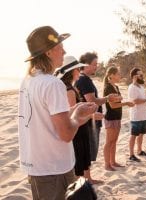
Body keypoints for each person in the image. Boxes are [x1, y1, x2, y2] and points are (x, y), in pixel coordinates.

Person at [18, 26, 98, 200]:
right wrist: (77, 116)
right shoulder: (52, 84)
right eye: (60, 46)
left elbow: (43, 117)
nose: (64, 51)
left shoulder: (29, 80)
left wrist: (74, 109)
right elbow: (67, 134)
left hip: (37, 166)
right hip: (54, 167)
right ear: (48, 52)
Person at [54, 56, 104, 184]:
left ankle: (86, 182)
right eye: (78, 69)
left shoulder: (68, 87)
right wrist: (92, 115)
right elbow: (72, 114)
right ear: (72, 71)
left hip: (80, 126)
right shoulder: (69, 90)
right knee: (79, 159)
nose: (80, 71)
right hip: (78, 128)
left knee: (82, 158)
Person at [75, 52, 120, 181]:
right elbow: (92, 100)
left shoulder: (83, 79)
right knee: (87, 150)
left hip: (88, 119)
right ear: (86, 65)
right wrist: (107, 98)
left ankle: (87, 177)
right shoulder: (84, 80)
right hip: (88, 120)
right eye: (95, 64)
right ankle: (87, 178)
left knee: (87, 150)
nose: (97, 67)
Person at [103, 66, 134, 170]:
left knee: (114, 140)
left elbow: (117, 101)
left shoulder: (116, 87)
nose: (120, 75)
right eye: (118, 74)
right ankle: (107, 165)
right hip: (111, 117)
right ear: (111, 75)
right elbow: (113, 105)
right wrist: (125, 103)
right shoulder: (108, 88)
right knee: (109, 141)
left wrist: (119, 99)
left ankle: (113, 161)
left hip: (117, 117)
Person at [128, 68, 146, 162]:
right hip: (136, 115)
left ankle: (139, 151)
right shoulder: (132, 87)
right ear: (134, 76)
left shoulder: (140, 86)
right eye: (140, 75)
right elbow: (135, 101)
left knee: (141, 134)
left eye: (142, 75)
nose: (142, 76)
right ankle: (131, 154)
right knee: (134, 135)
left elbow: (143, 97)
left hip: (143, 114)